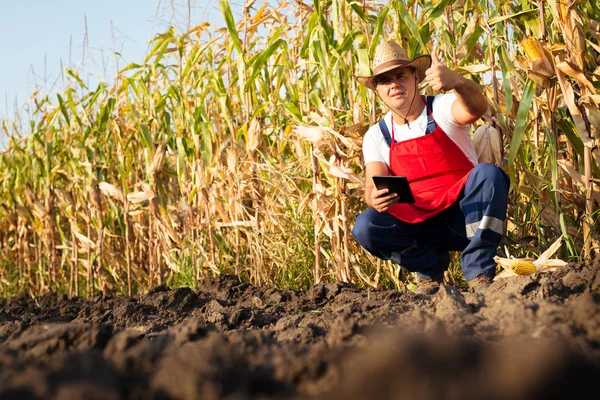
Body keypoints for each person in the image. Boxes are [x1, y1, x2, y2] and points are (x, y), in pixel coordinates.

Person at [352, 41, 510, 295]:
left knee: (489, 175)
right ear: (377, 89)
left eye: (400, 75)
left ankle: (479, 270)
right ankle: (429, 268)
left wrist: (457, 82)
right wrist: (375, 198)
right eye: (384, 80)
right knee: (366, 226)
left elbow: (476, 108)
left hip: (465, 218)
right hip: (419, 227)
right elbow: (372, 184)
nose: (394, 84)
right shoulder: (376, 135)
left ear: (416, 77)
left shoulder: (442, 107)